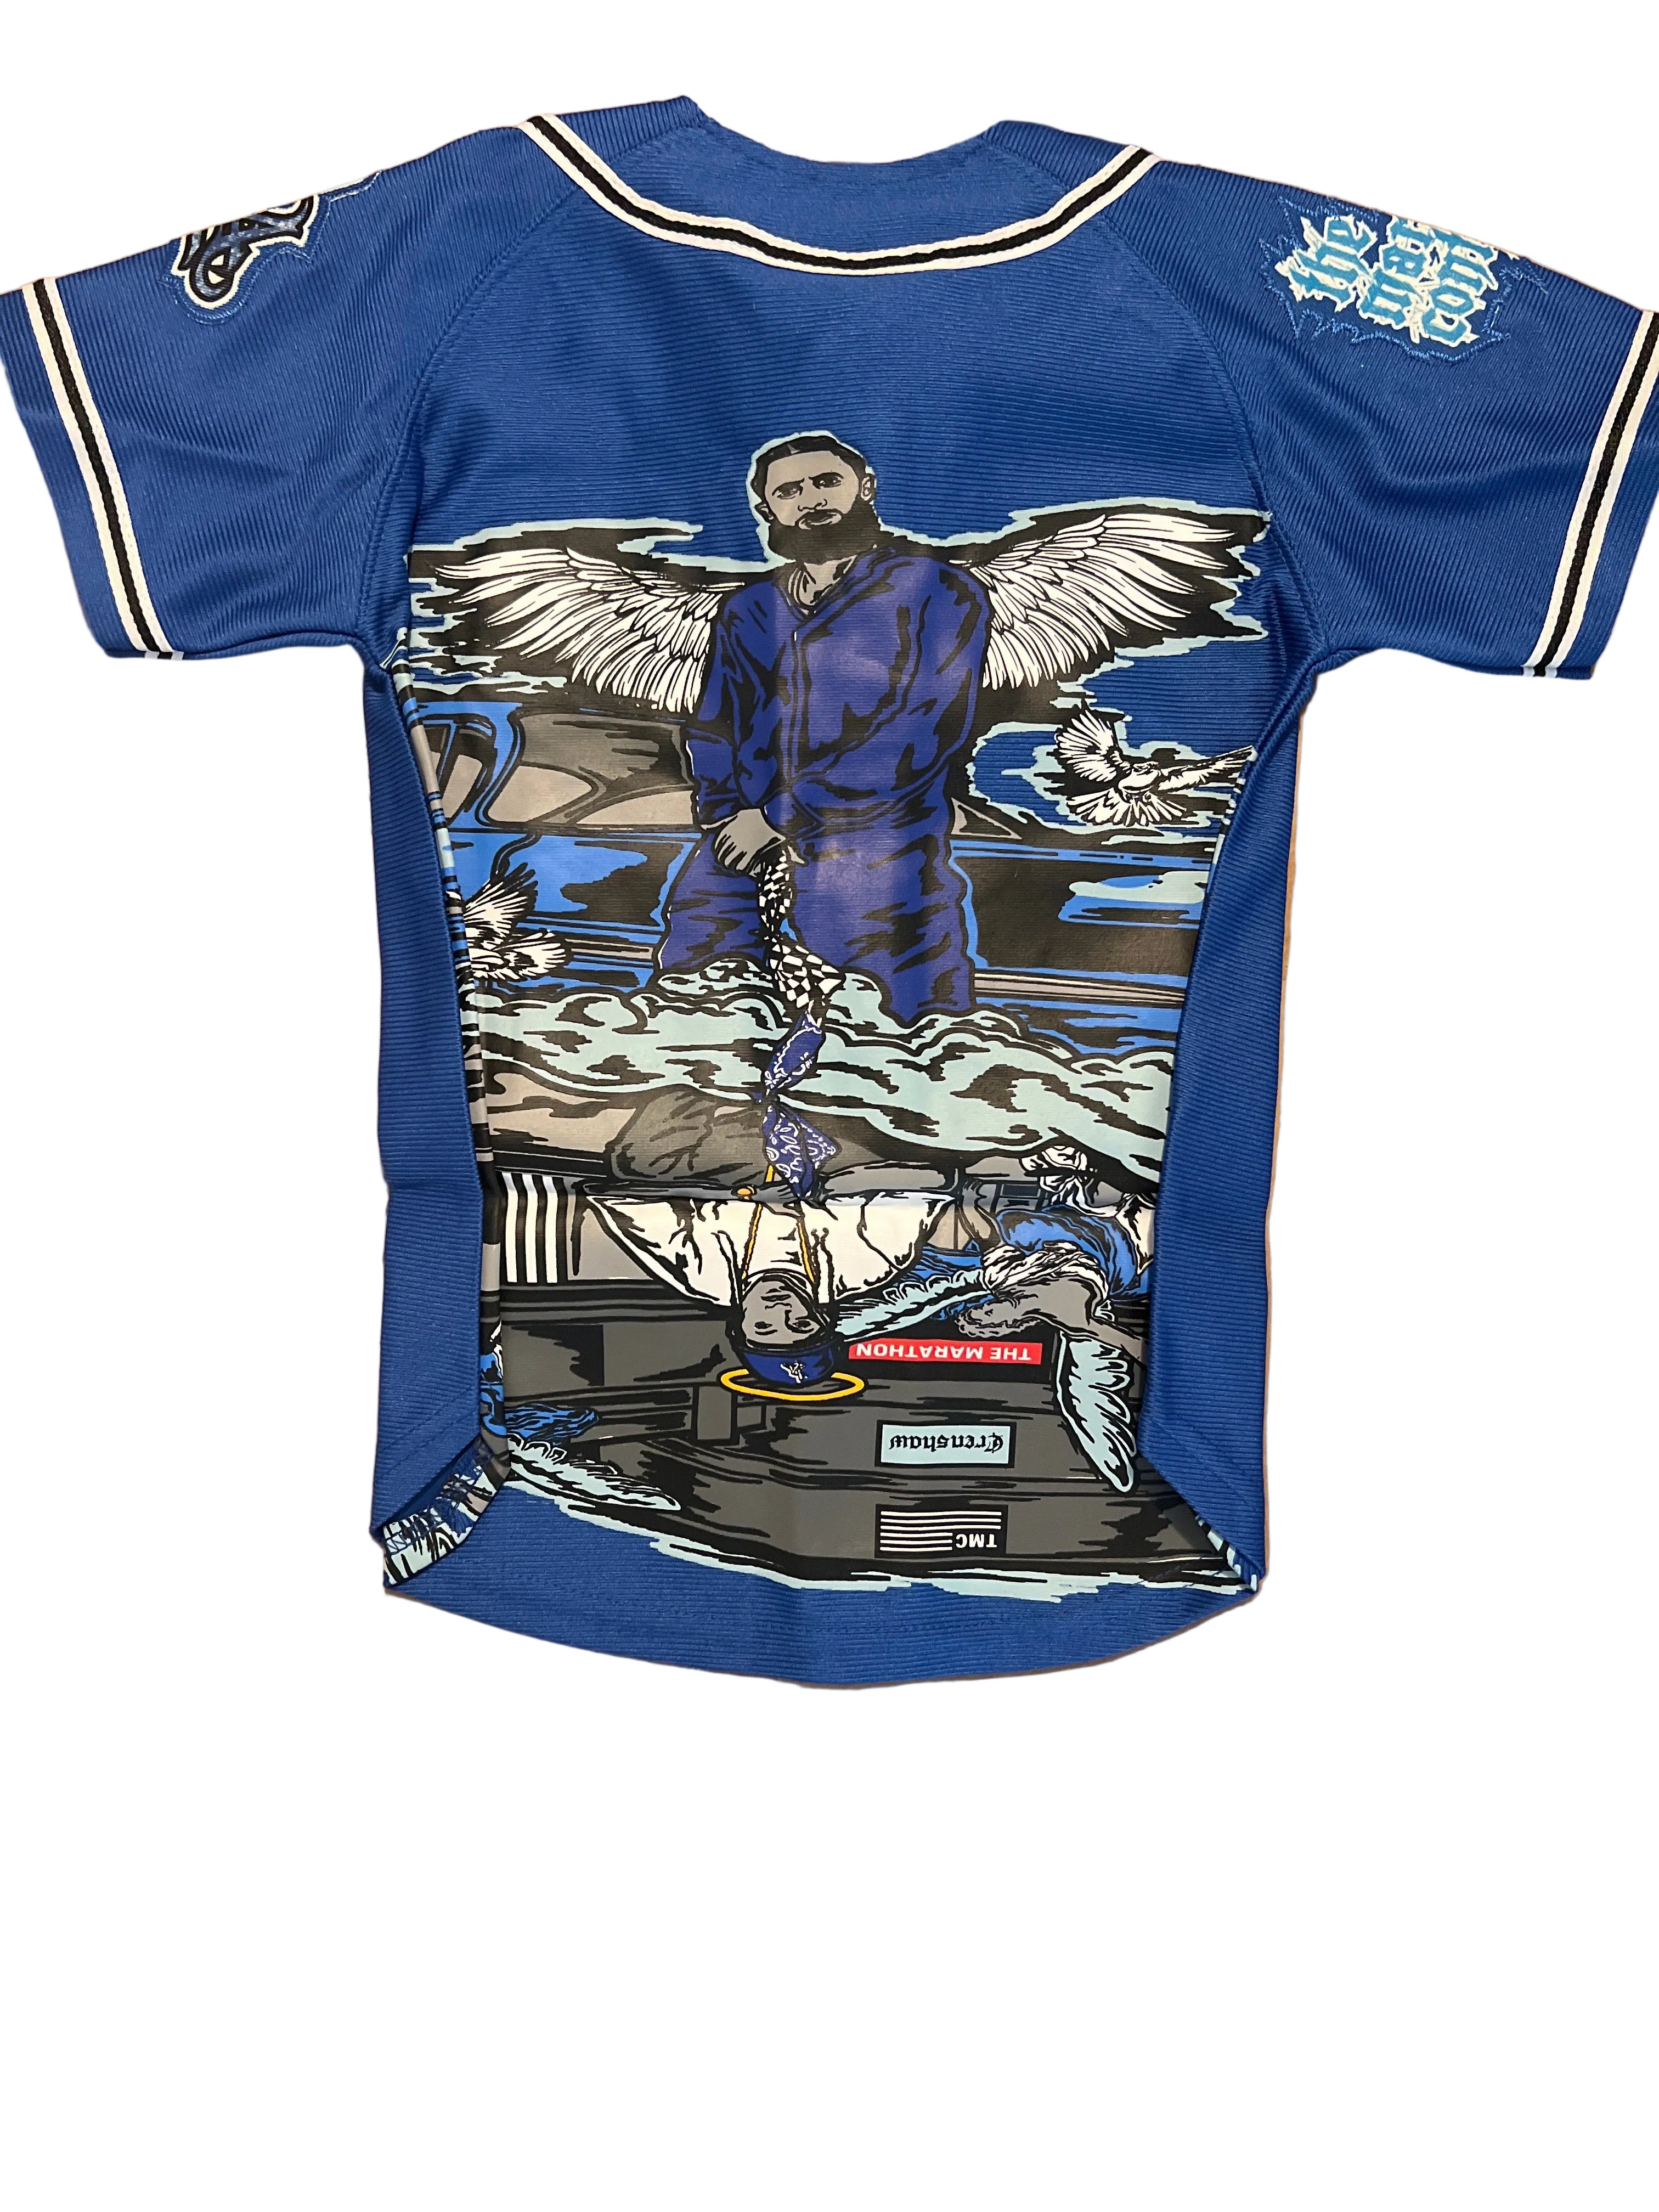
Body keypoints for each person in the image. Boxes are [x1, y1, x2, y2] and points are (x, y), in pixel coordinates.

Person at [656, 434, 991, 1024]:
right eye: (789, 491)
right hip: (739, 847)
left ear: (866, 488)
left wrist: (782, 815)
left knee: (892, 1024)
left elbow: (919, 730)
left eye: (827, 482)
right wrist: (727, 814)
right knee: (696, 1003)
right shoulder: (749, 608)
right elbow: (715, 724)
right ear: (768, 510)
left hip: (881, 852)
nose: (811, 500)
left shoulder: (938, 590)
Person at [589, 1187, 949, 1400]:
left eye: (764, 1328)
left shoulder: (701, 1276)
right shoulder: (869, 1265)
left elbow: (621, 1200)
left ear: (739, 1326)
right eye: (801, 1325)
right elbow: (927, 1185)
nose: (780, 1312)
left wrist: (734, 1189)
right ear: (824, 1317)